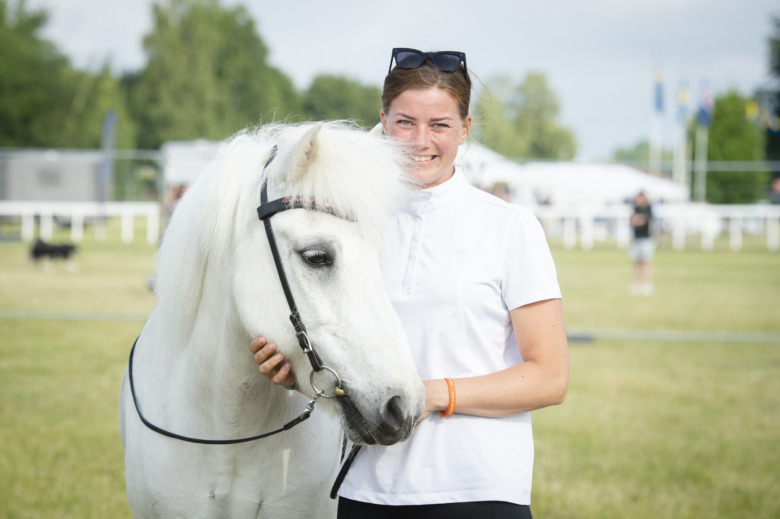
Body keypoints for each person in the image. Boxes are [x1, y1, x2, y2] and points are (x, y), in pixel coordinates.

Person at [249, 48, 569, 519]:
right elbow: (348, 359)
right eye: (405, 122)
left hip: (480, 491)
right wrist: (295, 378)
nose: (421, 140)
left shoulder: (510, 227)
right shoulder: (353, 228)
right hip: (366, 491)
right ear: (383, 122)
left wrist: (433, 394)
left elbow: (549, 377)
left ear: (465, 128)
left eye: (439, 124)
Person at [629, 191, 655, 295]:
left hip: (646, 239)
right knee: (636, 262)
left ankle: (647, 283)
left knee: (646, 262)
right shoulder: (636, 208)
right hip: (636, 239)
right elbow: (631, 220)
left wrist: (637, 220)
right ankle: (636, 283)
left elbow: (643, 221)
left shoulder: (648, 208)